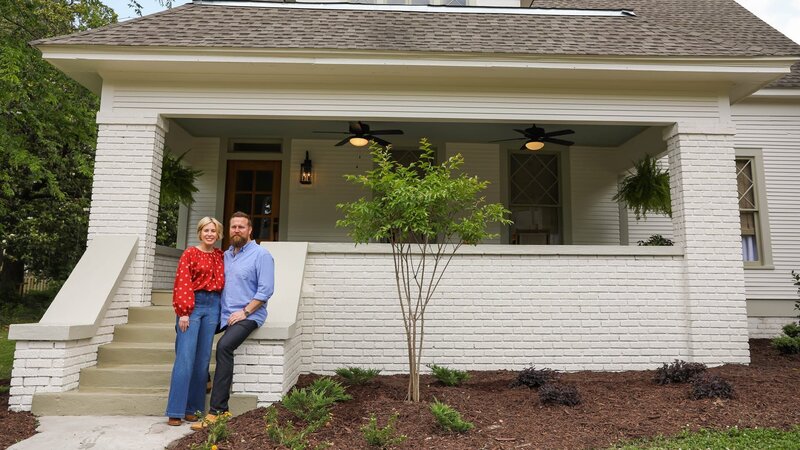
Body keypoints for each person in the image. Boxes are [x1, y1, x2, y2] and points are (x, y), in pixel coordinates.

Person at [192, 211, 275, 430]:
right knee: (191, 336)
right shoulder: (225, 255)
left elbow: (266, 291)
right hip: (223, 314)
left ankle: (218, 410)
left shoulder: (261, 255)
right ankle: (205, 379)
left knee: (224, 347)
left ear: (250, 230)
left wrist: (245, 312)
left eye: (241, 226)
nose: (236, 230)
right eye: (233, 227)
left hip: (249, 315)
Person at [165, 217, 225, 426]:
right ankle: (175, 410)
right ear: (200, 233)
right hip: (193, 305)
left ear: (218, 234)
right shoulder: (190, 253)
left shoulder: (220, 256)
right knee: (185, 357)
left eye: (214, 231)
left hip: (213, 306)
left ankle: (193, 408)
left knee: (202, 360)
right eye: (206, 230)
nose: (210, 234)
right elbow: (182, 282)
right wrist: (184, 312)